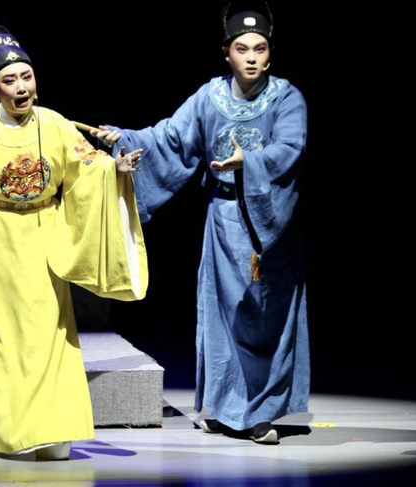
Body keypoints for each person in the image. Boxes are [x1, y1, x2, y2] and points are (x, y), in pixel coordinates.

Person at [0, 25, 148, 459]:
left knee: (46, 337)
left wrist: (114, 170)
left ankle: (50, 430)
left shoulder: (55, 124)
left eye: (26, 77)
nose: (21, 87)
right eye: (10, 81)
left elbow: (88, 167)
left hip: (43, 240)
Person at [94, 1, 309, 444]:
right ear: (226, 53)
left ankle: (261, 412)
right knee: (222, 318)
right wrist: (124, 138)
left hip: (269, 224)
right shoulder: (210, 97)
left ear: (270, 53)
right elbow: (170, 138)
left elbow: (291, 148)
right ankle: (227, 409)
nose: (252, 58)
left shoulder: (286, 97)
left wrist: (248, 162)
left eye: (260, 48)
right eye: (242, 49)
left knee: (264, 318)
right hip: (224, 220)